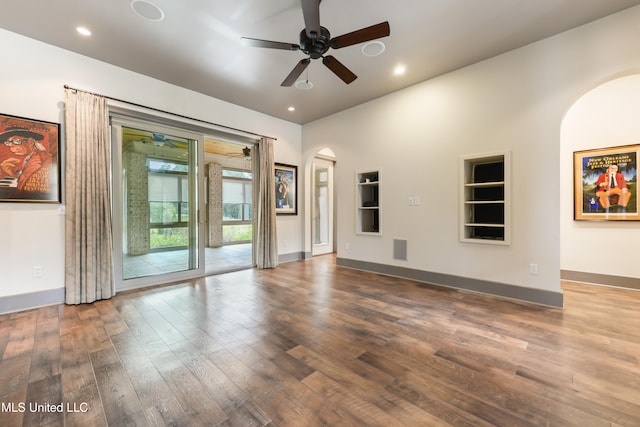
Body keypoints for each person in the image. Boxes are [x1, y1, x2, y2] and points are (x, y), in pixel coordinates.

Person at [0, 127, 52, 193]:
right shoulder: (31, 157)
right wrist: (15, 173)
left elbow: (32, 188)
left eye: (16, 141)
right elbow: (30, 178)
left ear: (31, 142)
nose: (10, 145)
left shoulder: (42, 159)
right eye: (7, 142)